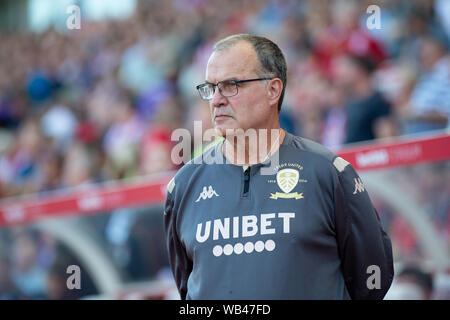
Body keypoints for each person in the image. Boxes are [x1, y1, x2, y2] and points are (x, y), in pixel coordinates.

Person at [164, 34, 393, 300]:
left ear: (273, 90)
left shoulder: (329, 173)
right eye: (210, 88)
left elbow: (372, 280)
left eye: (230, 86)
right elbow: (187, 286)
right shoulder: (183, 186)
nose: (216, 100)